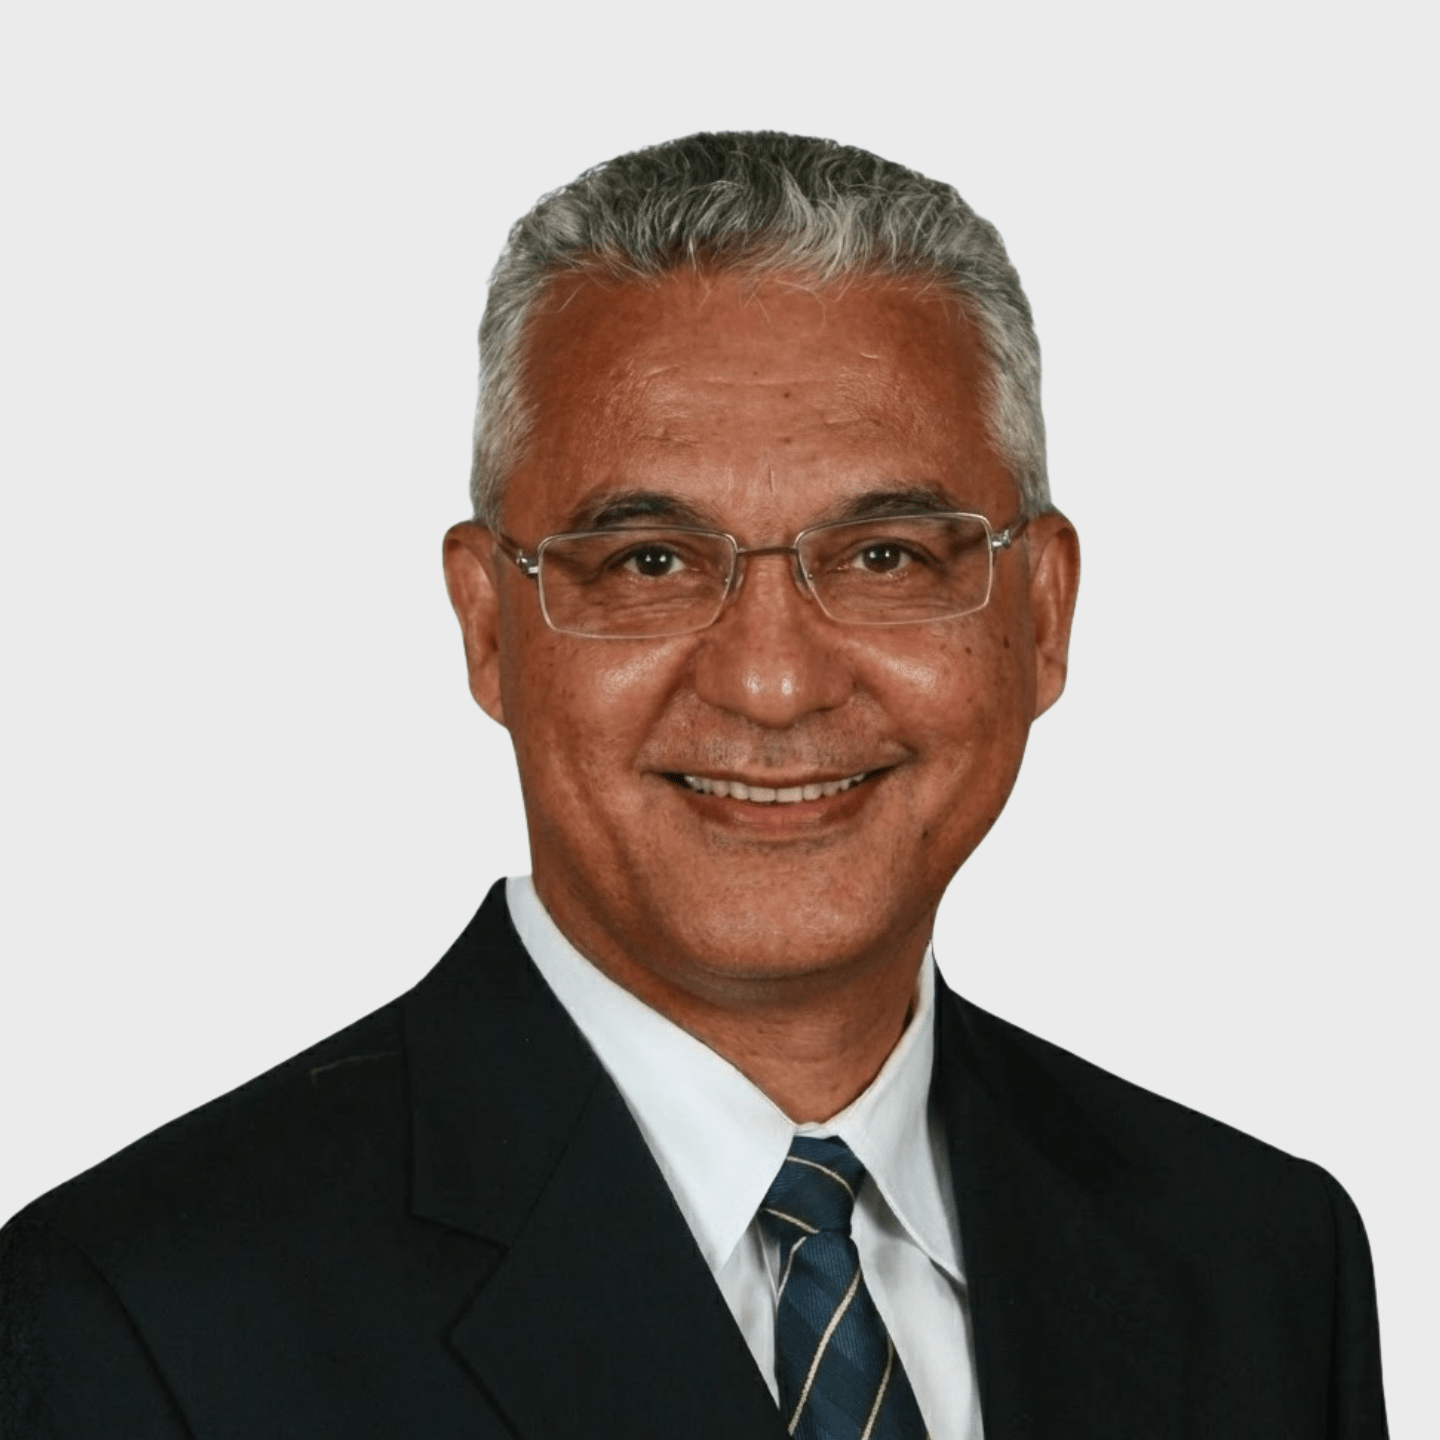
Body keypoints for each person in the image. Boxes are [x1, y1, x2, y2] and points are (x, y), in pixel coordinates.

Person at [0, 131, 1387, 1439]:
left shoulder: (1260, 1263)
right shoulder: (138, 1322)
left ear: (1042, 613)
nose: (773, 682)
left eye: (886, 556)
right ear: (490, 629)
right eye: (649, 563)